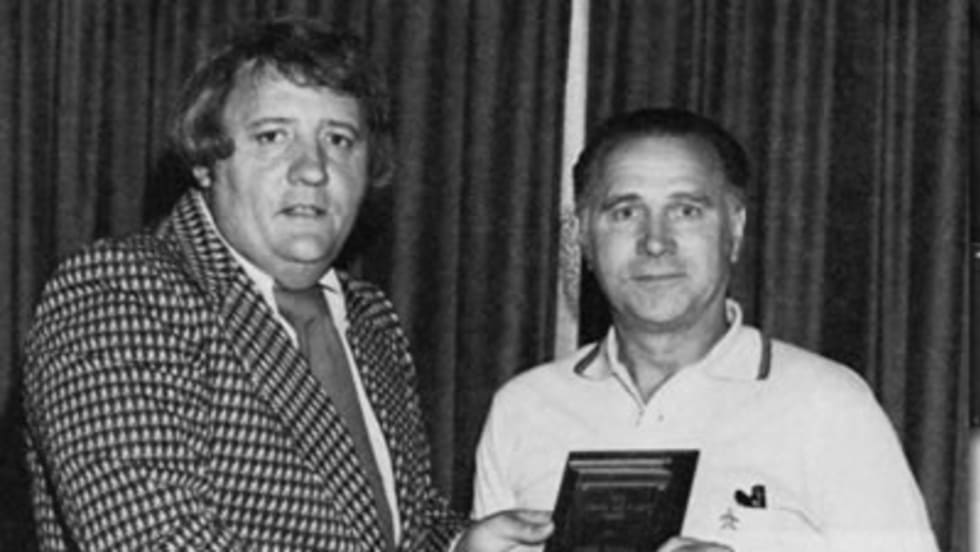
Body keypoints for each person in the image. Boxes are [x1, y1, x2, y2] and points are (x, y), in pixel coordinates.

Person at [22, 18, 550, 551]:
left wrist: (462, 546)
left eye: (339, 140)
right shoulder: (121, 292)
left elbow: (390, 531)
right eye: (273, 136)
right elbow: (150, 540)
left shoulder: (371, 318)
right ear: (206, 161)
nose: (313, 170)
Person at [472, 108, 938, 551]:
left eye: (687, 211)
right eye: (625, 212)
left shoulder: (829, 406)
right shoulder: (523, 409)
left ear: (734, 228)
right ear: (583, 238)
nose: (655, 242)